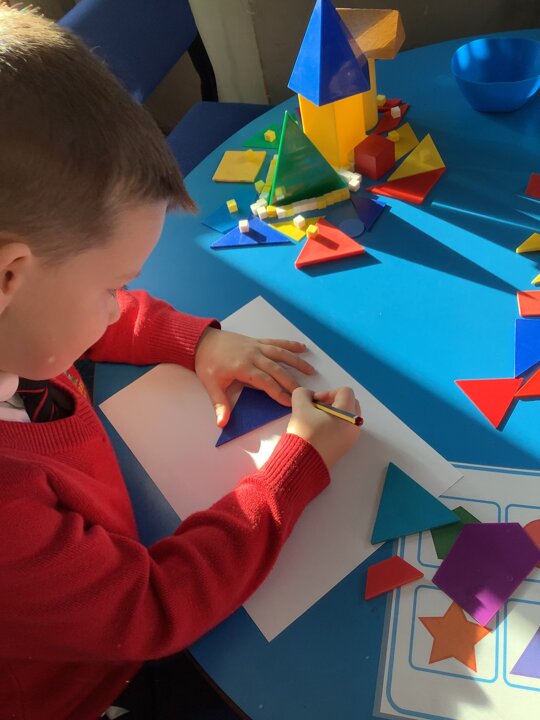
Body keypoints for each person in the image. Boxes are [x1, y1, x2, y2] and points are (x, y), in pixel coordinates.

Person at [0, 5, 361, 719]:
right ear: (9, 275)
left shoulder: (22, 325)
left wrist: (194, 340)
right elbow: (149, 609)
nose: (120, 307)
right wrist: (291, 472)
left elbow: (69, 322)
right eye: (112, 286)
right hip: (91, 689)